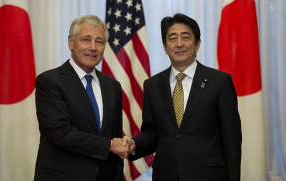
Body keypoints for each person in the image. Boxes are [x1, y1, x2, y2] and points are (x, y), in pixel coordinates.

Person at [126, 13, 242, 181]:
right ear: (165, 47)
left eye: (185, 37)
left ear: (197, 44)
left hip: (209, 176)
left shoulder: (220, 82)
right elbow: (152, 134)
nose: (179, 44)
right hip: (166, 175)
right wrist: (134, 145)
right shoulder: (152, 85)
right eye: (172, 39)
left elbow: (232, 140)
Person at [34, 15, 128, 181]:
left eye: (99, 42)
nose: (93, 47)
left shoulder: (112, 86)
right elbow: (60, 133)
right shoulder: (49, 81)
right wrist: (109, 145)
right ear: (71, 42)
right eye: (86, 39)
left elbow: (116, 137)